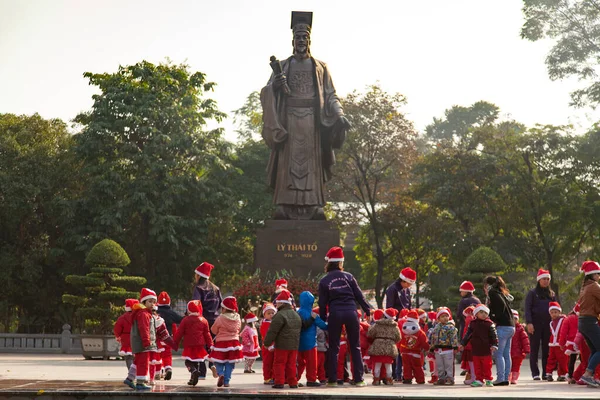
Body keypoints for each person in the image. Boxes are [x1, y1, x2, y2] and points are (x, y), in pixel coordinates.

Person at [260, 11, 350, 220]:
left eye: (304, 38)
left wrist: (339, 114)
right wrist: (275, 85)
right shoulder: (283, 66)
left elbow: (330, 95)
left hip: (312, 123)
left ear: (309, 40)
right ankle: (283, 204)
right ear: (293, 41)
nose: (301, 41)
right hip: (288, 122)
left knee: (311, 166)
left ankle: (315, 206)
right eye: (298, 37)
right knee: (288, 165)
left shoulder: (320, 67)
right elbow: (266, 91)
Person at [318, 246, 371, 387]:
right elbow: (359, 295)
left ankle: (332, 380)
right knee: (355, 346)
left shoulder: (324, 281)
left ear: (328, 262)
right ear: (341, 262)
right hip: (351, 312)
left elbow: (322, 303)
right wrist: (368, 311)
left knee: (334, 347)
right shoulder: (349, 276)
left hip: (335, 313)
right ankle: (359, 379)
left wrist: (323, 319)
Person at [263, 289, 303, 389]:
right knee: (292, 364)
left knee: (279, 363)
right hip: (294, 345)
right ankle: (293, 383)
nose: (276, 305)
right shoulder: (296, 315)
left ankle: (279, 382)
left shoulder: (279, 316)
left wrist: (267, 343)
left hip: (282, 345)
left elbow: (272, 331)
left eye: (277, 303)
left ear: (282, 303)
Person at [192, 262, 223, 380]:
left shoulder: (198, 288)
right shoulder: (216, 288)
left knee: (201, 346)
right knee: (212, 345)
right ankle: (213, 364)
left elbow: (196, 304)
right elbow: (221, 304)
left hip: (202, 320)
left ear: (199, 276)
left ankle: (201, 373)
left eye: (195, 275)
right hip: (215, 320)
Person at [524, 268, 556, 380]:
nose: (546, 281)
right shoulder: (532, 293)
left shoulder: (551, 294)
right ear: (539, 280)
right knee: (535, 348)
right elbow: (527, 309)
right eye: (544, 279)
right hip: (535, 324)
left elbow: (556, 308)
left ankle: (546, 373)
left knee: (547, 349)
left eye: (548, 279)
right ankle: (535, 373)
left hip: (548, 325)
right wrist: (529, 323)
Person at [173, 300, 213, 386]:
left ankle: (193, 371)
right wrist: (210, 345)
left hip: (189, 345)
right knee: (197, 361)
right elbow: (207, 334)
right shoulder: (204, 320)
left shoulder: (185, 320)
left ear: (188, 310)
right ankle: (194, 378)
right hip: (200, 345)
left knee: (188, 361)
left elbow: (179, 332)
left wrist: (175, 342)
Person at [484, 275, 515, 386]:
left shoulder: (492, 293)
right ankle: (506, 377)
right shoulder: (500, 292)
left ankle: (501, 378)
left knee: (499, 354)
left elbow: (499, 308)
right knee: (506, 354)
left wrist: (494, 319)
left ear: (487, 285)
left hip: (502, 326)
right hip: (511, 326)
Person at [207, 296, 243, 388]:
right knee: (230, 363)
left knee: (218, 361)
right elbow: (238, 329)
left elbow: (213, 330)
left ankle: (221, 373)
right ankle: (226, 381)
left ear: (224, 308)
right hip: (234, 343)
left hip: (221, 343)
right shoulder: (238, 318)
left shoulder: (220, 318)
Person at [460, 304, 498, 387]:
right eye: (481, 312)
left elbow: (494, 335)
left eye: (485, 312)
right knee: (477, 366)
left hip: (486, 349)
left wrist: (495, 344)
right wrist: (463, 343)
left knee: (487, 366)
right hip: (476, 349)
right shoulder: (473, 324)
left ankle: (488, 379)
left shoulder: (489, 324)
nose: (483, 314)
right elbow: (468, 334)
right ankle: (479, 380)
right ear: (476, 314)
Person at [575, 260, 600, 387]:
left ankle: (587, 376)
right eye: (597, 274)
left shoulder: (585, 287)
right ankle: (587, 375)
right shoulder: (594, 286)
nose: (598, 277)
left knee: (595, 350)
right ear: (592, 275)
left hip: (583, 321)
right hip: (590, 321)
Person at [129, 288, 159, 391]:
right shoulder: (143, 314)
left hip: (141, 342)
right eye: (150, 301)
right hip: (143, 343)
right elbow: (144, 329)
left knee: (137, 361)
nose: (152, 304)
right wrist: (147, 341)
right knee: (143, 363)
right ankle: (140, 383)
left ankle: (130, 378)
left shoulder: (145, 313)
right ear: (143, 301)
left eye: (154, 302)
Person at [297, 291, 328, 387]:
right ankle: (311, 380)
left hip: (298, 343)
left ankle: (294, 378)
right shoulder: (313, 315)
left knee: (299, 363)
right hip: (310, 343)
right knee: (311, 363)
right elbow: (324, 326)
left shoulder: (296, 313)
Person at [367, 308, 401, 385]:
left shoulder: (377, 324)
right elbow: (399, 337)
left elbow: (370, 334)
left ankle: (376, 380)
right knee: (388, 365)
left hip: (378, 345)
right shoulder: (395, 326)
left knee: (377, 364)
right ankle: (389, 379)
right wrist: (392, 341)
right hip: (390, 346)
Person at [156, 291, 183, 380]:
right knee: (167, 355)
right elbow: (180, 320)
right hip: (168, 338)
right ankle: (168, 368)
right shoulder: (171, 313)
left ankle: (158, 372)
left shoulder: (155, 312)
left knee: (157, 355)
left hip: (157, 339)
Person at [429, 307, 459, 385]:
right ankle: (441, 378)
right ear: (438, 319)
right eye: (442, 316)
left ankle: (450, 379)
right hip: (438, 350)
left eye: (446, 316)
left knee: (448, 365)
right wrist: (432, 348)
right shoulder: (436, 328)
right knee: (440, 366)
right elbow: (433, 338)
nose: (445, 318)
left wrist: (455, 347)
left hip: (448, 350)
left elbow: (454, 338)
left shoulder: (451, 327)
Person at [399, 309, 430, 384]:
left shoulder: (403, 330)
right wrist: (427, 348)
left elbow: (399, 339)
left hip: (405, 352)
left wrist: (399, 348)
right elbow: (424, 341)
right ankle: (420, 379)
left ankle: (407, 378)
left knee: (406, 366)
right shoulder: (419, 332)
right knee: (417, 366)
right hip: (416, 352)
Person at [114, 298, 138, 383]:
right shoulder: (138, 316)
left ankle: (130, 373)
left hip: (126, 337)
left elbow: (117, 328)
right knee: (138, 357)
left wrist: (118, 336)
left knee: (128, 357)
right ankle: (137, 373)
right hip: (136, 337)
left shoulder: (122, 318)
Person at [546, 302, 568, 381]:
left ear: (559, 312)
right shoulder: (551, 323)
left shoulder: (564, 320)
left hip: (561, 344)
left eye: (555, 312)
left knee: (562, 359)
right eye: (552, 313)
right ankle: (549, 373)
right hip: (552, 344)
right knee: (551, 359)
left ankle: (562, 374)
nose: (554, 314)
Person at [559, 303, 580, 383]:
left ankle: (570, 376)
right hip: (581, 343)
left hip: (571, 343)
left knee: (572, 360)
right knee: (583, 360)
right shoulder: (583, 319)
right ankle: (581, 375)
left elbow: (563, 332)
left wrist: (561, 343)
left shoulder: (568, 319)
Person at [509, 309, 530, 384]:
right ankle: (508, 377)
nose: (513, 320)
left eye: (515, 319)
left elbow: (525, 339)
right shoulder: (507, 329)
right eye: (511, 318)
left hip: (518, 352)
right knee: (509, 365)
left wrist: (526, 349)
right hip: (509, 352)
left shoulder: (520, 329)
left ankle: (514, 378)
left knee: (516, 366)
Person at [259, 303, 277, 384]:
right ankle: (267, 378)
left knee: (274, 362)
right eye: (268, 313)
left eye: (273, 313)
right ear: (264, 314)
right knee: (267, 363)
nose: (271, 315)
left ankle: (273, 377)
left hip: (273, 346)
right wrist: (269, 345)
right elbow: (265, 336)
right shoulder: (265, 323)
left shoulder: (273, 322)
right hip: (267, 346)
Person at [460, 305, 476, 385]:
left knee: (471, 362)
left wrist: (463, 343)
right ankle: (473, 376)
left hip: (469, 345)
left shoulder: (469, 320)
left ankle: (473, 377)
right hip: (474, 345)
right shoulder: (474, 321)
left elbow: (466, 334)